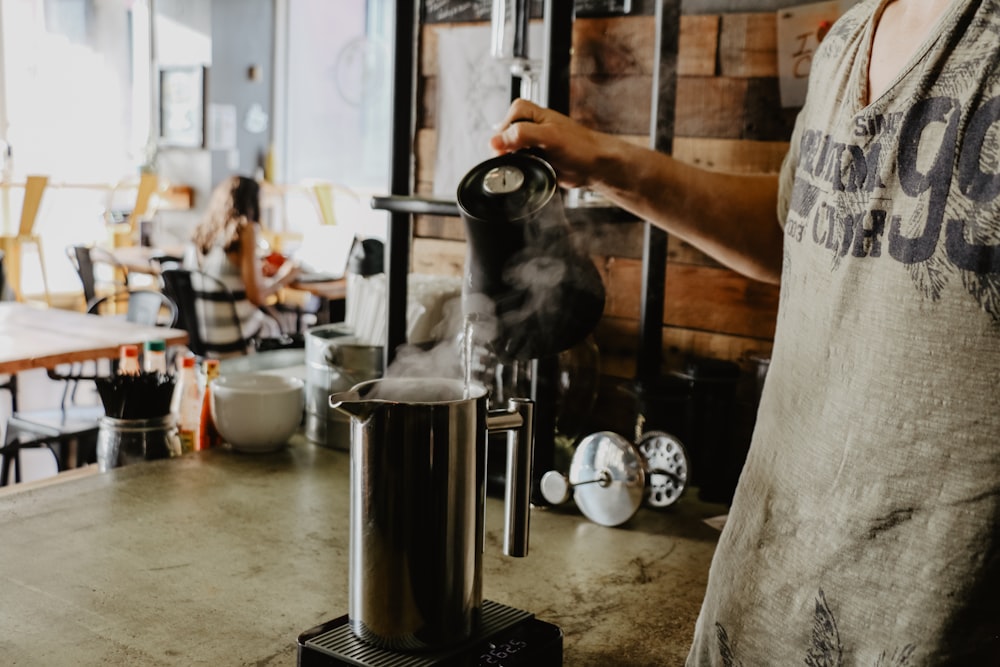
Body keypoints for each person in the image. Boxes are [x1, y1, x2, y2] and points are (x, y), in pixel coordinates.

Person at [491, 0, 999, 663]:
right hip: (757, 607)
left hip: (932, 630)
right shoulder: (847, 37)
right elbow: (797, 230)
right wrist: (609, 164)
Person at [185, 175, 301, 350]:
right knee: (283, 331)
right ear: (251, 202)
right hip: (236, 340)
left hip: (204, 339)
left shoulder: (204, 231)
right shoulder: (246, 230)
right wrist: (285, 276)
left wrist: (256, 271)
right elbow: (257, 297)